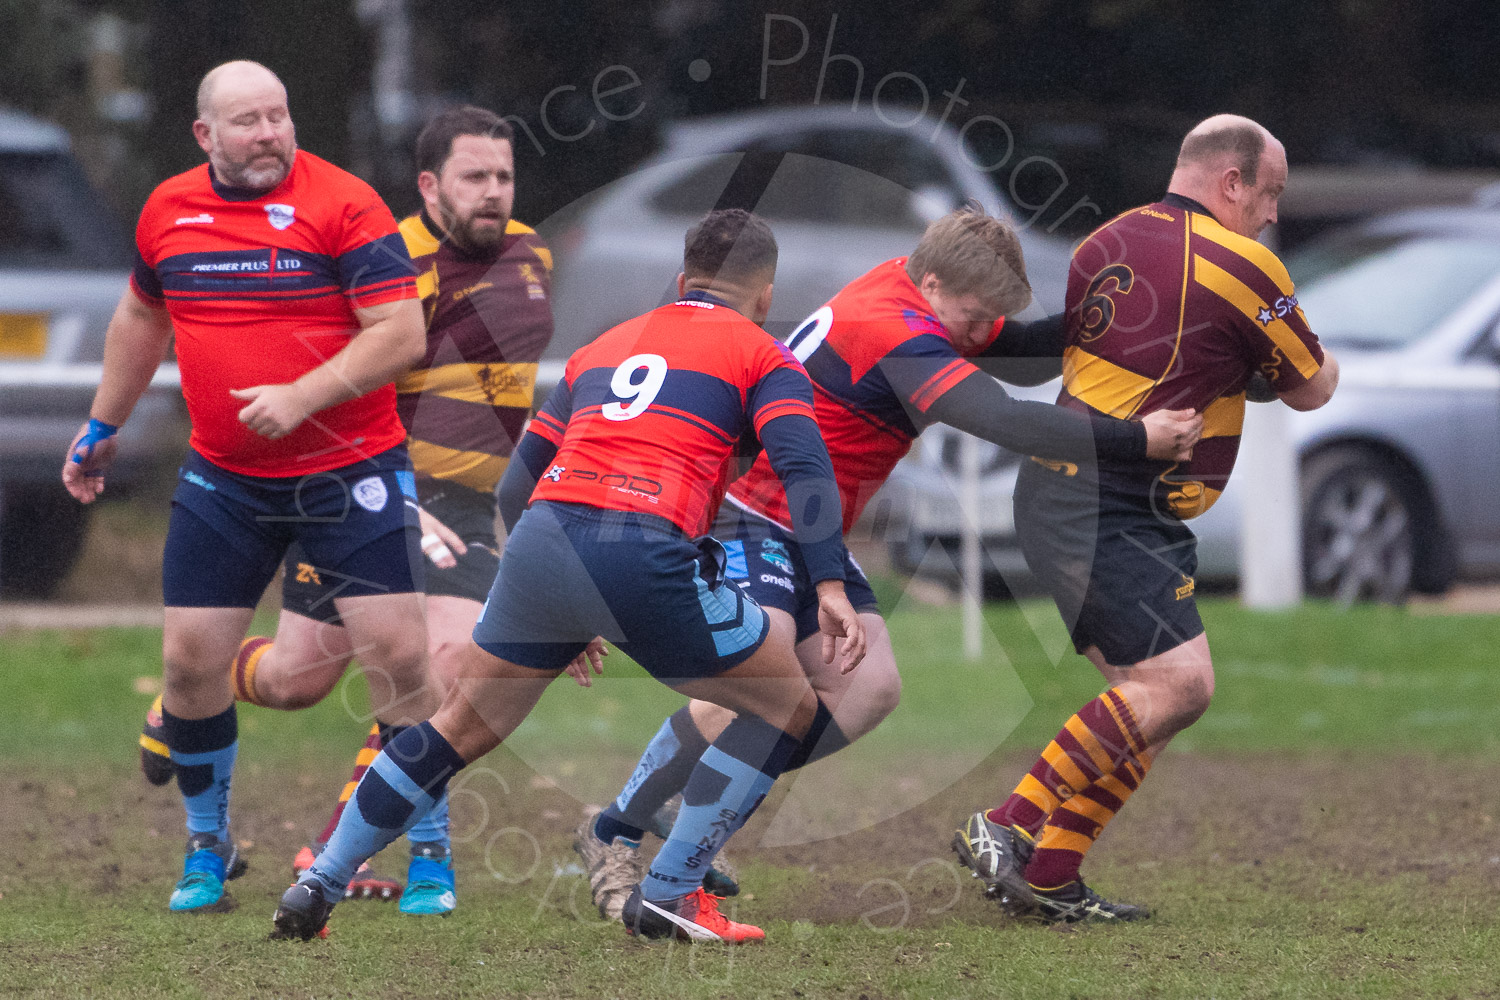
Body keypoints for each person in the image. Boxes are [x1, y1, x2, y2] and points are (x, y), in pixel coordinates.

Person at [574, 204, 1205, 921]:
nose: (977, 333)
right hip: (750, 512)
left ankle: (692, 808)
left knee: (867, 688)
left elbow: (1014, 349)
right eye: (972, 317)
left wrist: (1100, 326)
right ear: (934, 283)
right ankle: (615, 831)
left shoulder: (911, 292)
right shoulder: (896, 333)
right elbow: (1002, 418)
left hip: (807, 529)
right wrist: (1136, 438)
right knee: (760, 686)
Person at [270, 208, 868, 944]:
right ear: (766, 296)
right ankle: (673, 893)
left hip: (544, 540)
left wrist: (563, 600)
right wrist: (831, 583)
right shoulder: (763, 353)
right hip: (642, 546)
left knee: (455, 726)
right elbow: (806, 469)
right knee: (790, 704)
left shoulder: (602, 348)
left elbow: (517, 490)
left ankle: (319, 881)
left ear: (681, 281)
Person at [134, 105, 557, 916]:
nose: (493, 193)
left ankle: (345, 847)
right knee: (295, 680)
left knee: (442, 662)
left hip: (468, 504)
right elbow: (328, 382)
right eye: (475, 177)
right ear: (430, 186)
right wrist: (398, 492)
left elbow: (506, 397)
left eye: (503, 176)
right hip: (374, 487)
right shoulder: (385, 254)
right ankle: (190, 694)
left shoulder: (532, 252)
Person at [63, 60, 436, 913]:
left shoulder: (345, 204)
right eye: (247, 121)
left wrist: (302, 395)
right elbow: (141, 316)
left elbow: (401, 332)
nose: (268, 134)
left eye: (279, 115)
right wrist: (101, 425)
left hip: (351, 472)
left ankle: (431, 850)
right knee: (191, 665)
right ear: (206, 135)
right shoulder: (169, 209)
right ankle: (208, 845)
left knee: (403, 659)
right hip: (226, 480)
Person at [953, 114, 1339, 923]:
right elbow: (1312, 387)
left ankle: (1052, 876)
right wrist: (1316, 354)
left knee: (1147, 700)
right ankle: (1008, 824)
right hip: (1103, 500)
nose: (1271, 213)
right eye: (1268, 193)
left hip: (1081, 497)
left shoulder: (1107, 240)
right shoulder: (1244, 264)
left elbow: (1161, 355)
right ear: (1231, 182)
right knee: (1178, 685)